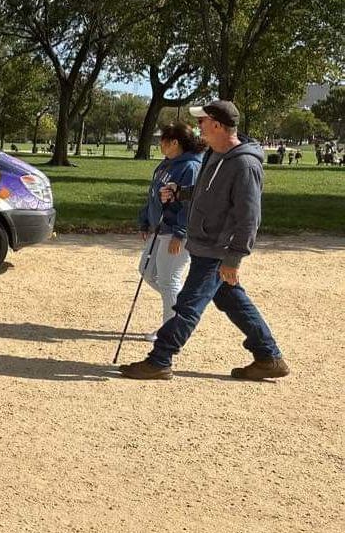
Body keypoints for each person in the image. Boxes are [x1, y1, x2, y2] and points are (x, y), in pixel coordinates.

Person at [120, 100, 289, 381]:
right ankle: (268, 356)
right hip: (203, 244)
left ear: (218, 125)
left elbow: (249, 218)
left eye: (202, 121)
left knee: (188, 305)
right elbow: (206, 193)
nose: (198, 126)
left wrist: (234, 258)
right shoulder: (214, 154)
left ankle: (160, 359)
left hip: (218, 249)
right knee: (232, 300)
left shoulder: (245, 164)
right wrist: (180, 193)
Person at [136, 123, 204, 341]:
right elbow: (154, 195)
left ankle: (170, 329)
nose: (159, 144)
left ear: (174, 142)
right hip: (159, 228)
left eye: (162, 140)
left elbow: (190, 205)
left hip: (175, 232)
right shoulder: (167, 164)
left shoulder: (190, 167)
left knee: (168, 280)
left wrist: (180, 233)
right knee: (146, 271)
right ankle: (180, 308)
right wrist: (145, 219)